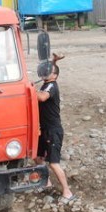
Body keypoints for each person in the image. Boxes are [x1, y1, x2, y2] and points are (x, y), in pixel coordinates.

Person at [36, 62, 77, 203]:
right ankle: (46, 182)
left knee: (53, 163)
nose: (46, 72)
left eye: (50, 71)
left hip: (53, 131)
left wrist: (28, 89)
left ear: (55, 75)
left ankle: (68, 192)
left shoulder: (51, 86)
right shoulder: (46, 84)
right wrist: (54, 60)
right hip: (44, 129)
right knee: (38, 157)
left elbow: (41, 97)